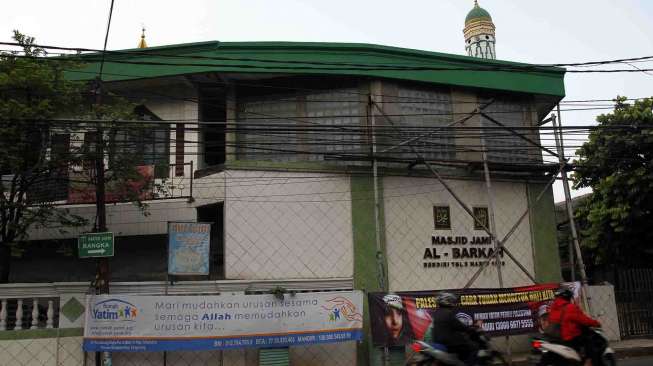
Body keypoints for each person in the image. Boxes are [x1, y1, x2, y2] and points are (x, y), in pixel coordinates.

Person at [548, 287, 602, 365]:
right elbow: (584, 320)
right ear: (568, 297)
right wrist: (596, 323)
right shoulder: (570, 307)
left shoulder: (553, 308)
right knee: (589, 340)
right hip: (569, 338)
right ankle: (588, 361)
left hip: (557, 338)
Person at [426, 292, 479, 366]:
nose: (453, 303)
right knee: (474, 347)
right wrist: (470, 329)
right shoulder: (448, 313)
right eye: (452, 301)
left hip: (438, 341)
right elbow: (460, 326)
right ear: (447, 302)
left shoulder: (437, 312)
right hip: (449, 343)